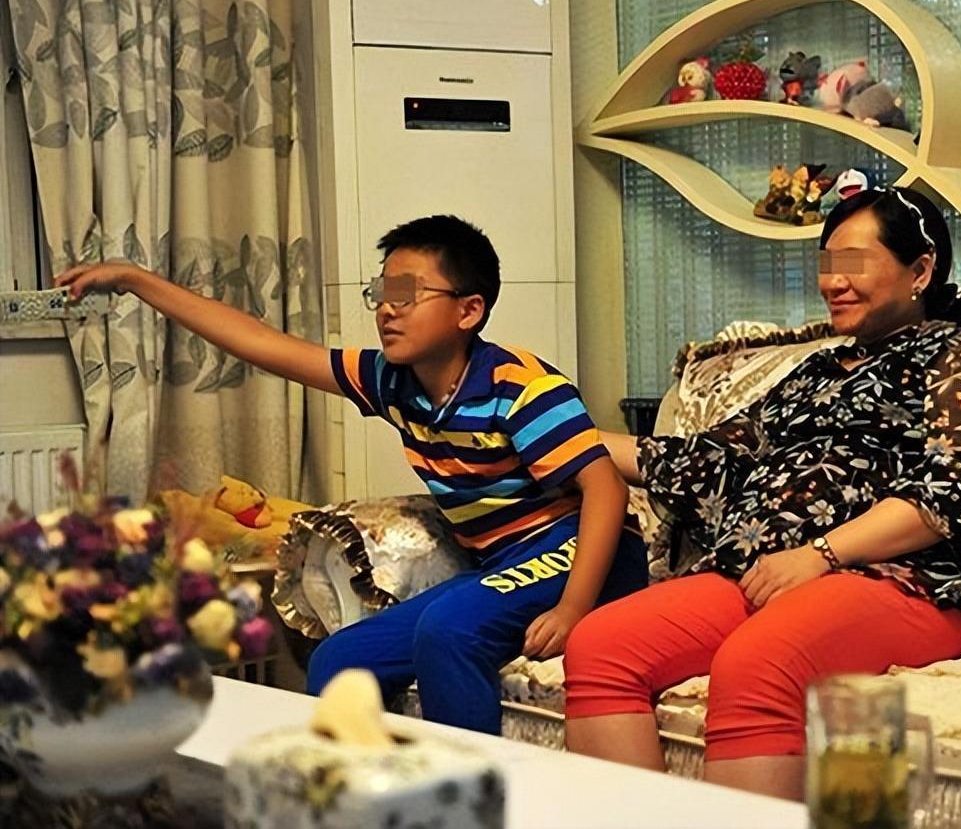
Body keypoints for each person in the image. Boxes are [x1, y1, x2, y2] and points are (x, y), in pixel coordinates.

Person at [58, 214, 648, 734]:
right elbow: (260, 342)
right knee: (339, 661)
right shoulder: (392, 381)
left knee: (448, 631)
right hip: (503, 565)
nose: (387, 309)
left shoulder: (518, 385)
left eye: (408, 295)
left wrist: (572, 608)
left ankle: (472, 800)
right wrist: (136, 280)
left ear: (469, 310)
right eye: (382, 293)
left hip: (578, 551)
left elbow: (605, 488)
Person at [561, 187, 961, 800]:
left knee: (757, 664)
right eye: (827, 264)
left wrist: (820, 555)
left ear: (921, 270)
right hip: (773, 572)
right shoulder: (817, 371)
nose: (833, 282)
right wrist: (559, 437)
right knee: (600, 647)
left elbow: (949, 488)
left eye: (855, 264)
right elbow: (711, 457)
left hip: (910, 579)